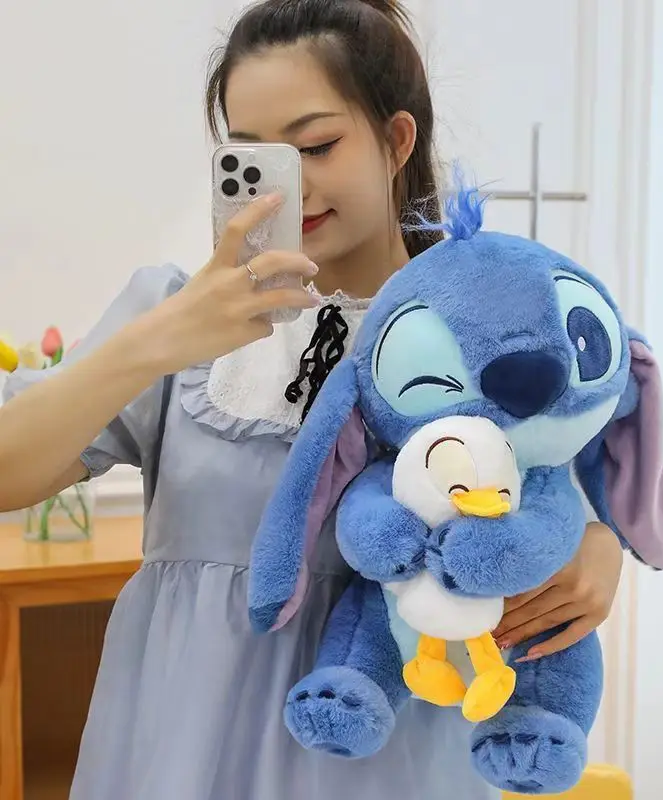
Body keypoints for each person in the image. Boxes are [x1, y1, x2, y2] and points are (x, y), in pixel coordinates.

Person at [0, 1, 625, 797]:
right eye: (254, 157)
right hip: (183, 757)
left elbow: (565, 481)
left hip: (393, 758)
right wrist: (154, 341)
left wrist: (599, 542)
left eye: (317, 146)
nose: (289, 187)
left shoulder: (478, 326)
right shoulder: (174, 317)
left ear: (397, 140)